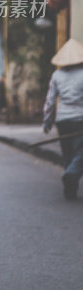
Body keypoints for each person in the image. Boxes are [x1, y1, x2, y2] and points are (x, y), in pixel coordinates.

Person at [42, 38, 83, 200]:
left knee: (67, 154)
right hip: (80, 119)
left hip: (63, 120)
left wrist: (47, 120)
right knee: (81, 153)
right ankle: (72, 174)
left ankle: (70, 185)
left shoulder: (57, 75)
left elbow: (50, 100)